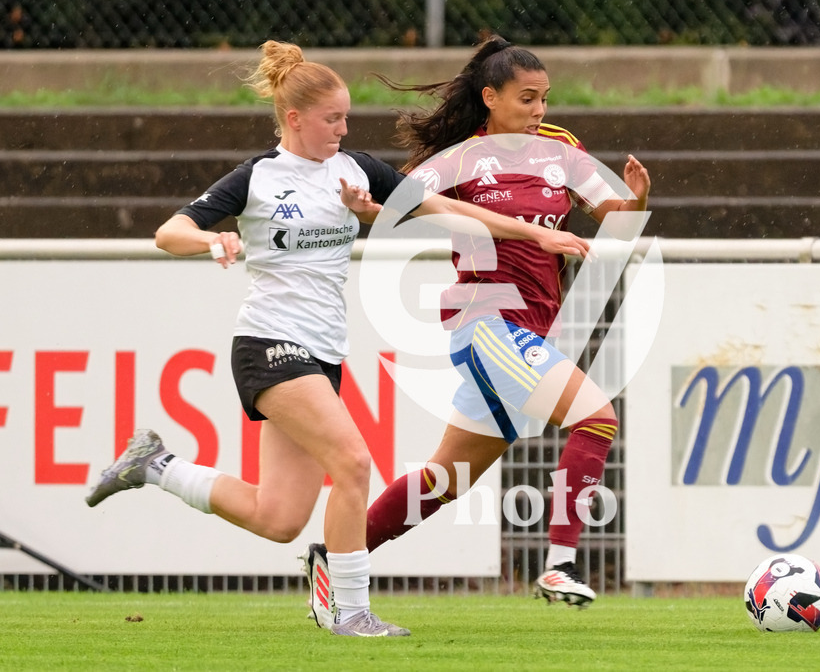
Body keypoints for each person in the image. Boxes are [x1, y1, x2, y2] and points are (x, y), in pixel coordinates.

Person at [84, 39, 591, 638]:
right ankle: (349, 610)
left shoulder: (357, 170)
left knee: (277, 518)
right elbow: (169, 232)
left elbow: (448, 211)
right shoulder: (257, 177)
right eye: (332, 119)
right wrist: (211, 239)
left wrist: (535, 235)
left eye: (347, 117)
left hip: (322, 353)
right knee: (353, 463)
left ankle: (155, 465)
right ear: (294, 118)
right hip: (269, 343)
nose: (343, 129)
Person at [303, 34, 651, 617]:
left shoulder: (562, 148)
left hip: (531, 330)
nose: (539, 110)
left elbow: (615, 221)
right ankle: (560, 565)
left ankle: (333, 556)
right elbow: (400, 206)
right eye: (527, 98)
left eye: (544, 98)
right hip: (487, 324)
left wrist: (635, 200)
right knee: (597, 417)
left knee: (445, 480)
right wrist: (365, 208)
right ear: (491, 98)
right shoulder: (459, 159)